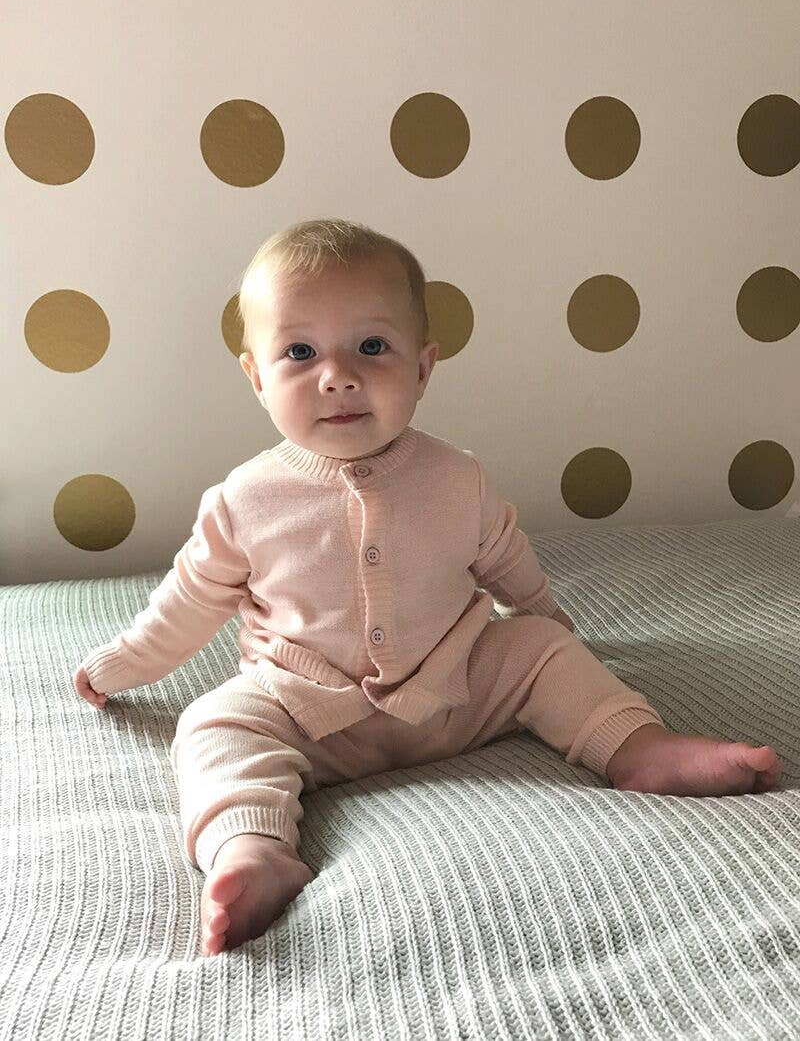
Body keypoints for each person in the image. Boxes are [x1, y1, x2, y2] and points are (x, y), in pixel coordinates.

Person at [73, 218, 783, 958]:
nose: (338, 375)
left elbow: (508, 562)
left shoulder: (457, 477)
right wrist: (119, 667)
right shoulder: (243, 500)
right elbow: (187, 604)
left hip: (454, 690)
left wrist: (550, 623)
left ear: (424, 367)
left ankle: (639, 747)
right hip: (309, 713)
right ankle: (252, 852)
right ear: (256, 375)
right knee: (212, 724)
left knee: (537, 651)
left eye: (372, 347)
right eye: (300, 352)